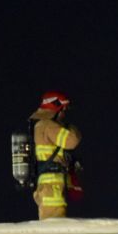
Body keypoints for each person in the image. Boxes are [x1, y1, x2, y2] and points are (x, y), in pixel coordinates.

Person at [29, 91, 81, 219]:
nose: (64, 114)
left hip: (50, 184)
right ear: (56, 108)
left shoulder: (42, 125)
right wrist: (70, 127)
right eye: (63, 110)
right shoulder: (47, 125)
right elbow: (72, 140)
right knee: (54, 226)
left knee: (55, 223)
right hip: (51, 187)